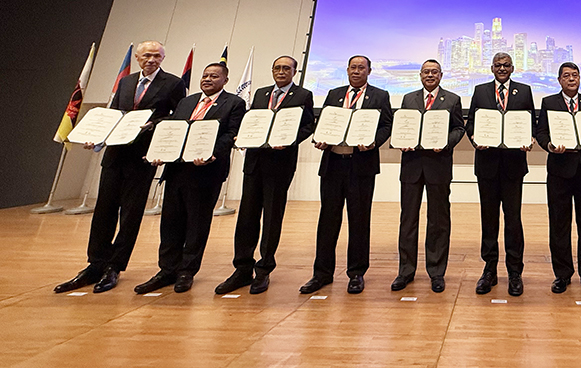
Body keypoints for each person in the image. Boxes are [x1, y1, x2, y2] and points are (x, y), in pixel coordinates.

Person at [55, 41, 185, 294]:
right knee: (104, 210)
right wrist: (96, 137)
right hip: (115, 155)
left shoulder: (173, 83)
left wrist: (152, 124)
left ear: (163, 58)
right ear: (137, 58)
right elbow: (113, 114)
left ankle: (114, 266)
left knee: (130, 215)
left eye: (157, 56)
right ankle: (95, 264)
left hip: (142, 156)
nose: (152, 59)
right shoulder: (126, 82)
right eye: (147, 55)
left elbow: (177, 116)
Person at [133, 63, 246, 294]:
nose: (207, 79)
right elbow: (172, 130)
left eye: (214, 76)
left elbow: (231, 135)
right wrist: (159, 153)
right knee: (170, 222)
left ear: (225, 80)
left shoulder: (234, 103)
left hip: (206, 171)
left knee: (197, 223)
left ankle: (186, 271)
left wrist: (209, 153)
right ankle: (166, 270)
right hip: (176, 170)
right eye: (205, 75)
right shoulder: (186, 101)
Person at [215, 55, 315, 295]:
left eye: (286, 68)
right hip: (255, 162)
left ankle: (264, 269)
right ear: (272, 70)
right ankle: (241, 269)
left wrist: (289, 140)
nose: (281, 72)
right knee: (247, 217)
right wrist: (244, 136)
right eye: (277, 68)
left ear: (294, 71)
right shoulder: (260, 93)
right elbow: (252, 122)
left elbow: (308, 126)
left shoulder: (303, 95)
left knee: (272, 217)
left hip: (280, 164)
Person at [300, 55, 392, 295]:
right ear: (347, 70)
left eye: (362, 68)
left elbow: (386, 126)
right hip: (333, 164)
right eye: (353, 67)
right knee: (328, 220)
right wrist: (319, 138)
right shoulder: (334, 94)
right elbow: (324, 123)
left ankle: (356, 273)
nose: (356, 71)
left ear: (369, 71)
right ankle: (321, 273)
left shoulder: (380, 96)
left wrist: (374, 142)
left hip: (361, 165)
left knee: (359, 220)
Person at [391, 59, 465, 293]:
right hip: (412, 165)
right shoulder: (408, 98)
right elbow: (403, 126)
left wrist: (445, 143)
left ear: (441, 75)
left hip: (438, 165)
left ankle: (436, 272)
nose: (430, 75)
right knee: (408, 219)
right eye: (426, 72)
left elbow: (459, 128)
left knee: (438, 221)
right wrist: (401, 141)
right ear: (420, 75)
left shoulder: (452, 99)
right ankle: (405, 271)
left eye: (434, 72)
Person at [466, 52, 535, 296]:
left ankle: (515, 272)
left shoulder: (524, 91)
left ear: (513, 68)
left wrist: (529, 139)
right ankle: (490, 270)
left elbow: (531, 124)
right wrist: (475, 139)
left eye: (506, 65)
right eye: (498, 65)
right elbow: (471, 123)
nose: (502, 69)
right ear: (492, 68)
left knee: (514, 220)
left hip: (514, 164)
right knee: (489, 219)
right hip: (487, 164)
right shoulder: (481, 90)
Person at [535, 62, 581, 295]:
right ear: (559, 80)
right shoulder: (549, 103)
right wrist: (549, 145)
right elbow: (541, 132)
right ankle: (562, 275)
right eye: (566, 76)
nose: (571, 79)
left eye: (575, 75)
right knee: (559, 224)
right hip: (559, 170)